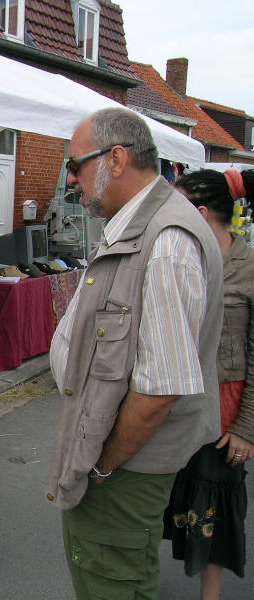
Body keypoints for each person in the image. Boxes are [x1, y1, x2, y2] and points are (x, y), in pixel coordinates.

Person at [47, 107, 224, 599]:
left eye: (76, 165)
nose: (71, 178)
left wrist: (103, 465)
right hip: (113, 455)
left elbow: (160, 391)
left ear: (116, 159)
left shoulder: (166, 241)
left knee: (113, 583)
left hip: (124, 466)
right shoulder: (141, 225)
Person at [162, 168, 254, 600]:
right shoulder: (180, 260)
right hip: (171, 404)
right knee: (159, 497)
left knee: (213, 507)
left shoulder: (249, 269)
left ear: (199, 214)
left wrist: (247, 428)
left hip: (222, 412)